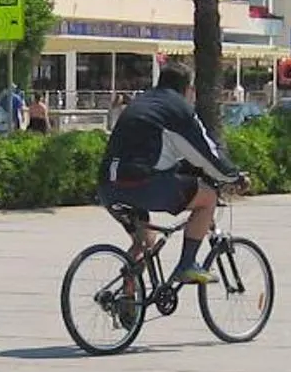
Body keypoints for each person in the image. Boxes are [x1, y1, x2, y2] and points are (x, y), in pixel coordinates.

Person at [98, 62, 240, 285]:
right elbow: (206, 153)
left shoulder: (142, 102)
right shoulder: (178, 108)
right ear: (187, 88)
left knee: (145, 241)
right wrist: (234, 177)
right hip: (142, 184)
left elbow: (162, 150)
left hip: (109, 186)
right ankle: (186, 265)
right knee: (207, 198)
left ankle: (127, 298)